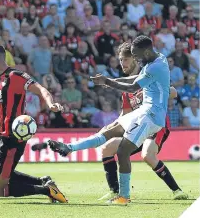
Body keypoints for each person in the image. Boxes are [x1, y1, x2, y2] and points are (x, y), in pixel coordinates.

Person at [48, 36, 173, 204]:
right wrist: (109, 82)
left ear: (146, 51)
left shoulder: (156, 66)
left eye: (136, 55)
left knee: (122, 151)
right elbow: (133, 80)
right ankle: (69, 148)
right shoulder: (155, 58)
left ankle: (124, 197)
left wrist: (108, 81)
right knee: (109, 129)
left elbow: (133, 87)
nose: (135, 58)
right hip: (144, 111)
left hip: (152, 116)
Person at [0, 43, 67, 203]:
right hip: (3, 136)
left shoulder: (16, 76)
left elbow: (41, 89)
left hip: (13, 138)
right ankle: (44, 181)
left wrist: (50, 104)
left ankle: (46, 190)